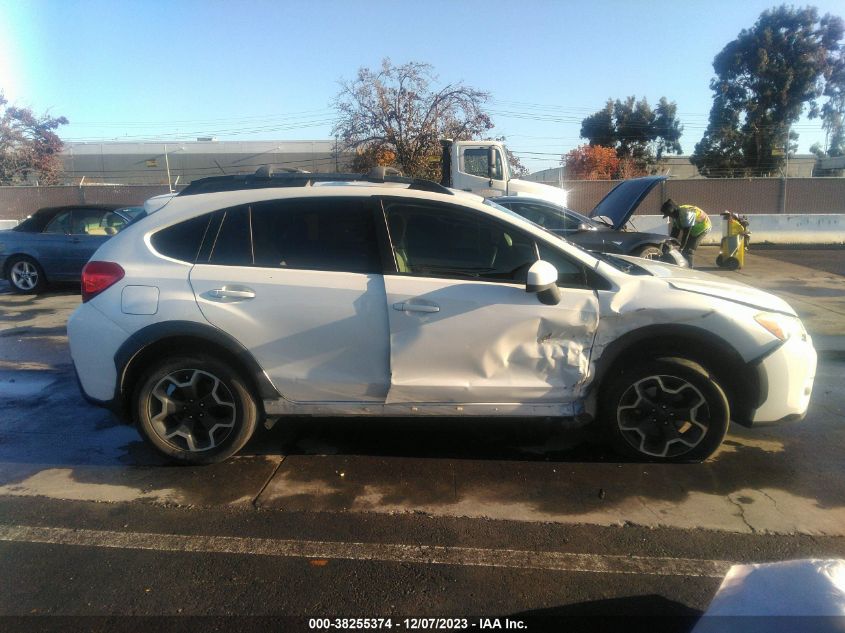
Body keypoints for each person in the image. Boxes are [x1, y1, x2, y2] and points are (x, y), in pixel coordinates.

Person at [661, 199, 712, 268]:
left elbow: (686, 234)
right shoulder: (676, 216)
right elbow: (674, 233)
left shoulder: (686, 213)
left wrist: (681, 247)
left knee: (688, 250)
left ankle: (689, 269)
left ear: (672, 212)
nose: (670, 217)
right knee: (683, 249)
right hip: (693, 228)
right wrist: (669, 243)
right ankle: (684, 266)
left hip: (703, 227)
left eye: (669, 215)